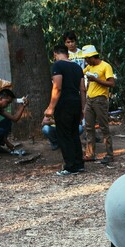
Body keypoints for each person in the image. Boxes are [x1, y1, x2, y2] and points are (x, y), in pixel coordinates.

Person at [44, 44, 86, 176]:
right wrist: (83, 108)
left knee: (64, 135)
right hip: (76, 103)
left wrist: (51, 107)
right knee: (74, 134)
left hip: (64, 104)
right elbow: (83, 89)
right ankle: (79, 164)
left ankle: (70, 166)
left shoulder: (57, 65)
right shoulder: (77, 67)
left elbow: (57, 87)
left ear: (55, 54)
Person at [82, 44, 115, 164]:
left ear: (92, 57)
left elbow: (111, 83)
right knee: (89, 127)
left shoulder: (105, 66)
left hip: (100, 99)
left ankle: (109, 154)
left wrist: (96, 80)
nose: (86, 61)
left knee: (103, 127)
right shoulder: (89, 67)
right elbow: (80, 73)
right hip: (90, 99)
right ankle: (90, 154)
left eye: (87, 58)